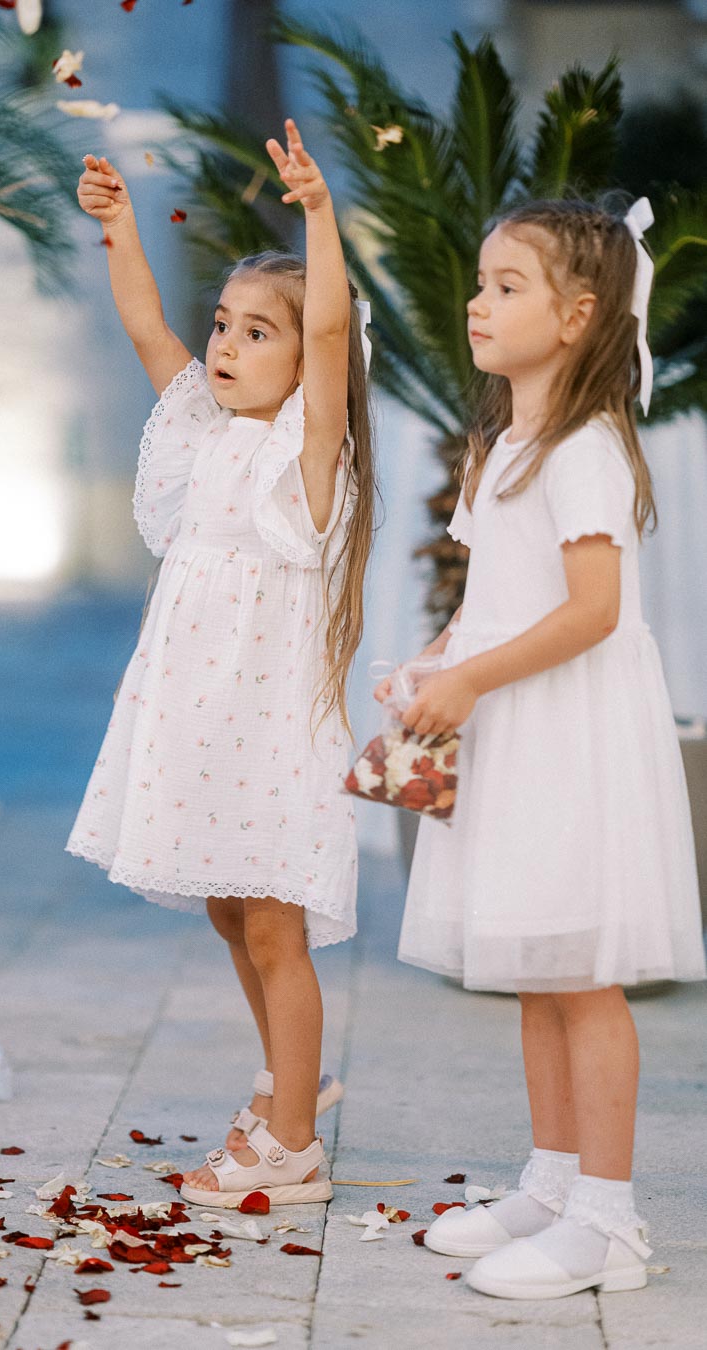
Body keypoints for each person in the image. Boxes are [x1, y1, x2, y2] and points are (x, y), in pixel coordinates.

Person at [378, 197, 705, 1297]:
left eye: (506, 286)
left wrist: (473, 677)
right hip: (516, 727)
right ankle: (553, 1182)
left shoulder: (586, 445)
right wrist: (437, 660)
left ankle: (607, 1224)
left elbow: (593, 608)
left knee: (585, 980)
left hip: (570, 734)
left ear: (577, 315)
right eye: (479, 282)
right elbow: (493, 599)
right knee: (536, 967)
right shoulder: (503, 444)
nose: (477, 302)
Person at [68, 119, 375, 1207]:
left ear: (302, 363)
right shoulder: (202, 427)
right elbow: (149, 323)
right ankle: (288, 1081)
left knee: (275, 921)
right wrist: (120, 228)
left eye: (259, 333)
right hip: (196, 717)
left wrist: (321, 218)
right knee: (224, 908)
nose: (227, 347)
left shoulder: (307, 456)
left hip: (270, 724)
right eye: (226, 325)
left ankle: (291, 1144)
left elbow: (333, 329)